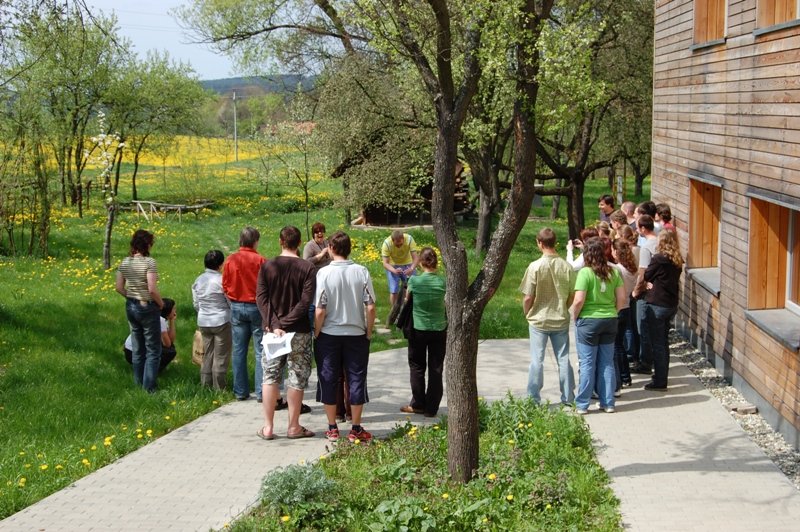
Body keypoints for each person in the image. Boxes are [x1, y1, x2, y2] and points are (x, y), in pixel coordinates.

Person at [315, 231, 377, 443]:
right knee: (356, 379)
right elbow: (370, 307)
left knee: (328, 379)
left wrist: (316, 331)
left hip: (329, 334)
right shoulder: (361, 271)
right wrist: (368, 331)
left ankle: (332, 427)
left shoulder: (323, 273)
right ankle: (356, 428)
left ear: (331, 248)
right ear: (349, 248)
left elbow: (320, 309)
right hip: (356, 334)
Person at [256, 226, 317, 440]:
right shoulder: (307, 267)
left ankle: (268, 427)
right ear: (299, 243)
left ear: (280, 241)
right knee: (296, 377)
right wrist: (287, 322)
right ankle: (293, 426)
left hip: (273, 332)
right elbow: (306, 302)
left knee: (270, 375)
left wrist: (275, 324)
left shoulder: (267, 266)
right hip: (298, 331)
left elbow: (261, 299)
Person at [519, 228, 576, 405]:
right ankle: (568, 397)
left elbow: (528, 296)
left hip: (539, 319)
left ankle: (533, 397)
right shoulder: (566, 266)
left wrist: (527, 312)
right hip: (559, 318)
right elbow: (573, 294)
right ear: (555, 242)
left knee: (537, 360)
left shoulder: (535, 266)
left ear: (539, 243)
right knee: (563, 358)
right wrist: (564, 307)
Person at [570, 238, 626, 414]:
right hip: (610, 319)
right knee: (606, 362)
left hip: (589, 321)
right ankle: (608, 402)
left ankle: (582, 404)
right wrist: (613, 312)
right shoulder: (614, 272)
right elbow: (622, 299)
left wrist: (575, 316)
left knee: (587, 363)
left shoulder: (585, 273)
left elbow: (579, 300)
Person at [115, 229, 164, 393]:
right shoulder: (149, 263)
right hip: (148, 307)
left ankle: (138, 384)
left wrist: (131, 297)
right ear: (147, 245)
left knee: (138, 348)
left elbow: (119, 287)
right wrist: (161, 303)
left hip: (131, 306)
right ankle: (149, 387)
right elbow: (151, 289)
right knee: (153, 349)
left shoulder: (125, 262)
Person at [402, 247, 447, 417]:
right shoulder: (443, 282)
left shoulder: (414, 282)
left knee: (417, 366)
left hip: (418, 329)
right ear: (436, 262)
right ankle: (432, 408)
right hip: (439, 329)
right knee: (436, 369)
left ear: (421, 262)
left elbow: (407, 301)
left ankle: (418, 403)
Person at [223, 227, 267, 402]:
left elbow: (225, 284)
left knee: (239, 350)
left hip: (236, 306)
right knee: (260, 351)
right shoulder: (261, 260)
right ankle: (262, 392)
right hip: (255, 306)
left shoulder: (230, 260)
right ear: (255, 241)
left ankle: (240, 391)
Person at [642, 230, 683, 391]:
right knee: (663, 343)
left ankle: (659, 380)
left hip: (657, 303)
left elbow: (647, 275)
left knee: (657, 344)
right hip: (671, 304)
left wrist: (649, 282)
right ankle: (661, 376)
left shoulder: (658, 258)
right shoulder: (677, 259)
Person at [192, 250, 232, 390]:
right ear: (221, 265)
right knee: (220, 356)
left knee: (207, 354)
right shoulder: (221, 281)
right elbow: (229, 302)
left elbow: (196, 303)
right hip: (221, 320)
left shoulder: (198, 280)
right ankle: (219, 388)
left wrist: (202, 312)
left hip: (203, 320)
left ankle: (205, 385)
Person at [631, 214, 658, 375]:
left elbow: (642, 273)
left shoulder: (646, 247)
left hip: (646, 292)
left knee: (643, 328)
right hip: (659, 291)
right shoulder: (660, 241)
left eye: (637, 226)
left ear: (642, 228)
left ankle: (645, 362)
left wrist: (636, 290)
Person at [611, 240, 638, 393]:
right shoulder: (632, 268)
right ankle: (626, 376)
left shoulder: (618, 269)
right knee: (620, 344)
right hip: (628, 306)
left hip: (619, 308)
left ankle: (621, 377)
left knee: (616, 346)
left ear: (616, 252)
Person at [123, 298, 177, 373]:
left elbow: (171, 340)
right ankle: (152, 371)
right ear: (168, 311)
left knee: (168, 347)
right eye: (174, 309)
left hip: (130, 350)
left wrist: (172, 321)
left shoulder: (156, 316)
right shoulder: (160, 321)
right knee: (170, 351)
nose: (175, 311)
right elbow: (168, 344)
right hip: (133, 353)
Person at [381, 230, 420, 309]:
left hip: (408, 263)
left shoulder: (409, 239)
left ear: (403, 239)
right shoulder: (386, 244)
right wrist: (394, 270)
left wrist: (412, 268)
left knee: (412, 287)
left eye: (401, 244)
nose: (399, 246)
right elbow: (385, 263)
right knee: (394, 290)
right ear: (392, 240)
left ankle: (409, 309)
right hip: (393, 265)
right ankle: (394, 311)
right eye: (396, 245)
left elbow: (416, 258)